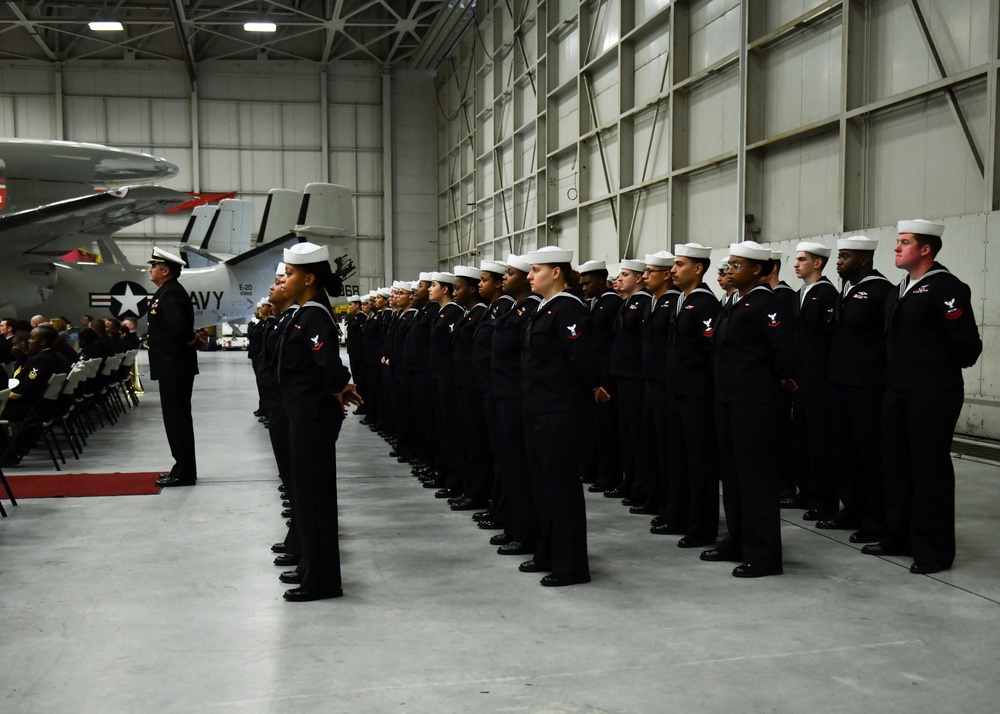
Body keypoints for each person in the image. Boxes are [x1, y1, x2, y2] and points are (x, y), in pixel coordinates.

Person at [862, 220, 982, 574]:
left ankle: (934, 550)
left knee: (929, 471)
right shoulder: (901, 288)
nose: (896, 248)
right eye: (897, 242)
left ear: (925, 249)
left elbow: (966, 347)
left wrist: (933, 370)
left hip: (932, 393)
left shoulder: (946, 288)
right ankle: (899, 536)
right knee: (896, 467)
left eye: (904, 242)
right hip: (897, 390)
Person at [701, 241, 796, 577]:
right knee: (735, 477)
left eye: (737, 265)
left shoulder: (764, 303)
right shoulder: (736, 303)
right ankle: (739, 540)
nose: (729, 271)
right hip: (729, 400)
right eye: (729, 266)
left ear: (757, 269)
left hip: (754, 403)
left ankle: (764, 553)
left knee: (755, 479)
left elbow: (783, 351)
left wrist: (780, 382)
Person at [274, 241, 360, 601]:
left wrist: (340, 388)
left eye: (290, 273)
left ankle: (323, 580)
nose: (284, 279)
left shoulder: (314, 315)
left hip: (312, 419)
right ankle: (312, 567)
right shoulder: (302, 313)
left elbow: (328, 366)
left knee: (315, 498)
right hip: (303, 415)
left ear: (309, 279)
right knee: (308, 499)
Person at [517, 245, 606, 586]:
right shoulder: (545, 309)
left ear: (556, 272)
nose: (529, 276)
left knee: (561, 489)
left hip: (560, 411)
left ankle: (571, 566)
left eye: (536, 270)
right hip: (538, 408)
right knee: (543, 488)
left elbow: (581, 360)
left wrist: (593, 387)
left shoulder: (568, 308)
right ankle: (550, 551)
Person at [822, 236, 893, 542]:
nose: (839, 261)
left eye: (846, 256)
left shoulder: (881, 291)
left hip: (868, 388)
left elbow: (889, 341)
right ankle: (851, 509)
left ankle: (875, 519)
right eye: (839, 256)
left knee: (870, 456)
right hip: (840, 385)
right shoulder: (846, 291)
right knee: (845, 452)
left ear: (864, 260)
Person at [665, 243, 721, 548]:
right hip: (679, 393)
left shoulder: (704, 303)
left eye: (680, 264)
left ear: (698, 269)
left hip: (697, 396)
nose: (673, 270)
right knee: (680, 460)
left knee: (700, 463)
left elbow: (711, 352)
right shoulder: (682, 300)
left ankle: (702, 527)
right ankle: (680, 515)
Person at [787, 242, 839, 521]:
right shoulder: (800, 295)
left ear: (818, 263)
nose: (796, 264)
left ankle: (824, 499)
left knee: (821, 440)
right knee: (802, 437)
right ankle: (805, 491)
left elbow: (829, 340)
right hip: (801, 379)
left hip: (820, 379)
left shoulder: (827, 294)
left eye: (802, 260)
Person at [147, 247, 200, 488]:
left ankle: (184, 472)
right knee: (176, 420)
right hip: (172, 366)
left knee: (177, 420)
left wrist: (191, 340)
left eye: (154, 266)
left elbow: (179, 326)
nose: (150, 270)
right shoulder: (167, 291)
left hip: (174, 367)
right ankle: (182, 468)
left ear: (165, 270)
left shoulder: (170, 293)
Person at [606, 259, 653, 504]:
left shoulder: (643, 302)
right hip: (623, 376)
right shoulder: (628, 302)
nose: (620, 278)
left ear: (638, 278)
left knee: (638, 435)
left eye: (625, 274)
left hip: (636, 377)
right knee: (625, 433)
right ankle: (630, 479)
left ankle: (641, 485)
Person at [578, 260, 623, 494]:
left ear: (599, 279)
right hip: (597, 369)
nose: (584, 287)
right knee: (596, 426)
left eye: (587, 283)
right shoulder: (596, 303)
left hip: (607, 371)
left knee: (607, 427)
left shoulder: (612, 302)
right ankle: (595, 469)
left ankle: (610, 475)